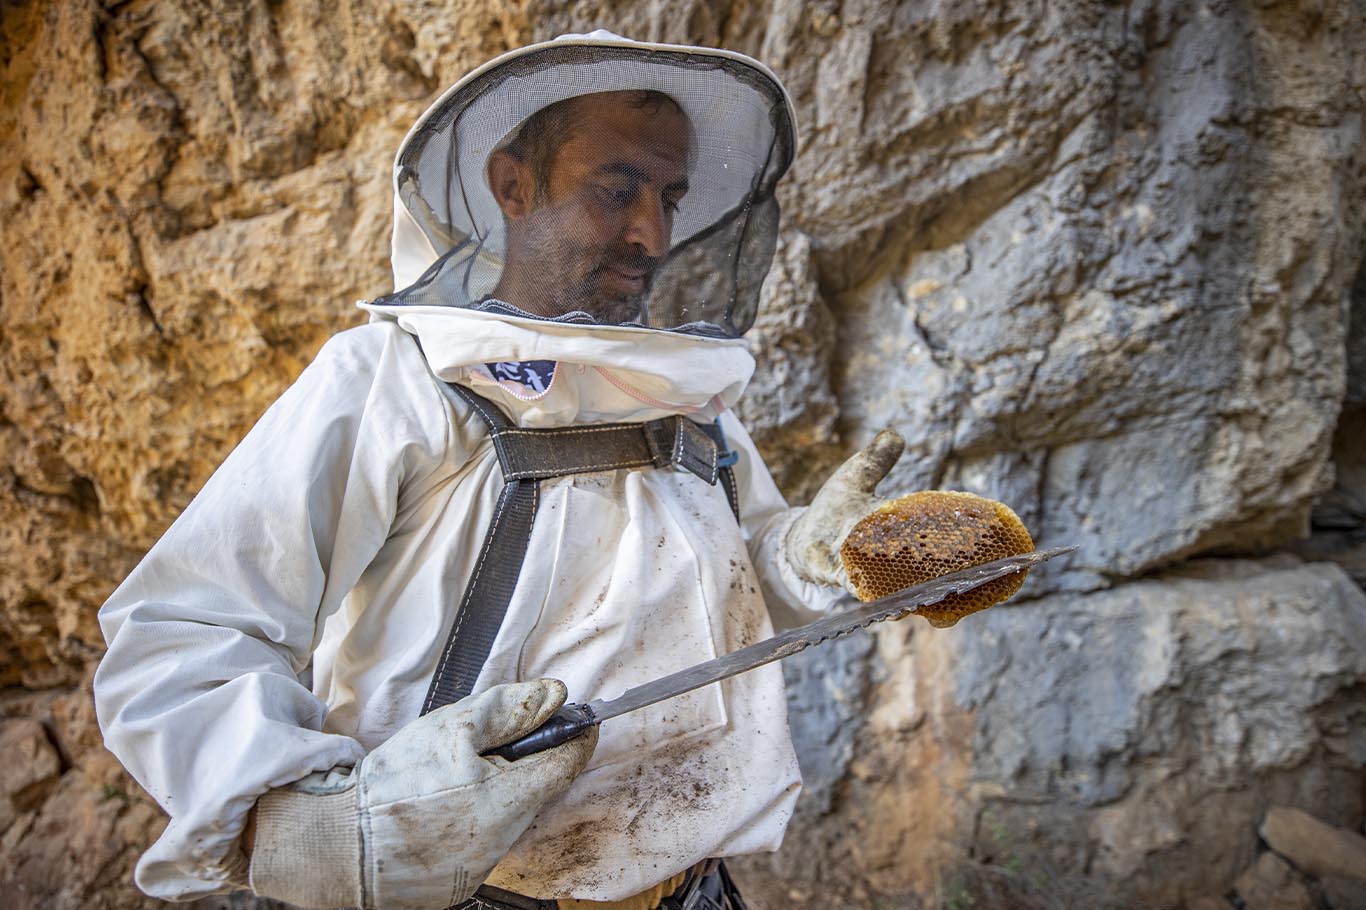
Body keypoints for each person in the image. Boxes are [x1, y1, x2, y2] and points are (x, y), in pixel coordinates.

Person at [94, 30, 904, 910]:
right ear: (514, 186)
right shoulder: (396, 379)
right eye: (617, 189)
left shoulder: (685, 397)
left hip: (695, 892)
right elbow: (182, 634)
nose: (651, 232)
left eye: (669, 197)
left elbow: (733, 589)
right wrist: (311, 823)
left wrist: (807, 557)